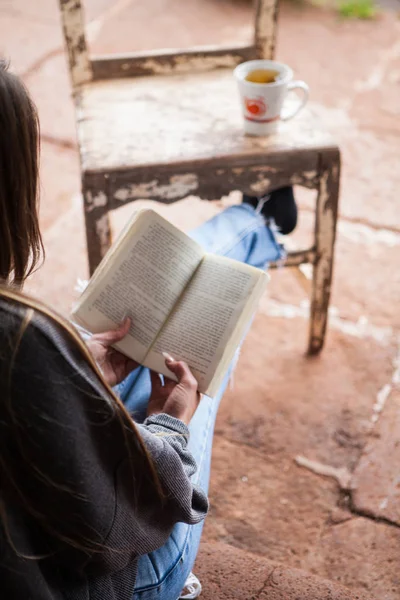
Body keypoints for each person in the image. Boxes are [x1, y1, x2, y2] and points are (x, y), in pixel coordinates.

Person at [0, 60, 295, 600]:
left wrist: (76, 370)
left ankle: (259, 222)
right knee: (198, 374)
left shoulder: (25, 345)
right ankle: (260, 220)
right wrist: (173, 425)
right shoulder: (18, 340)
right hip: (106, 585)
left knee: (152, 354)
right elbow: (122, 520)